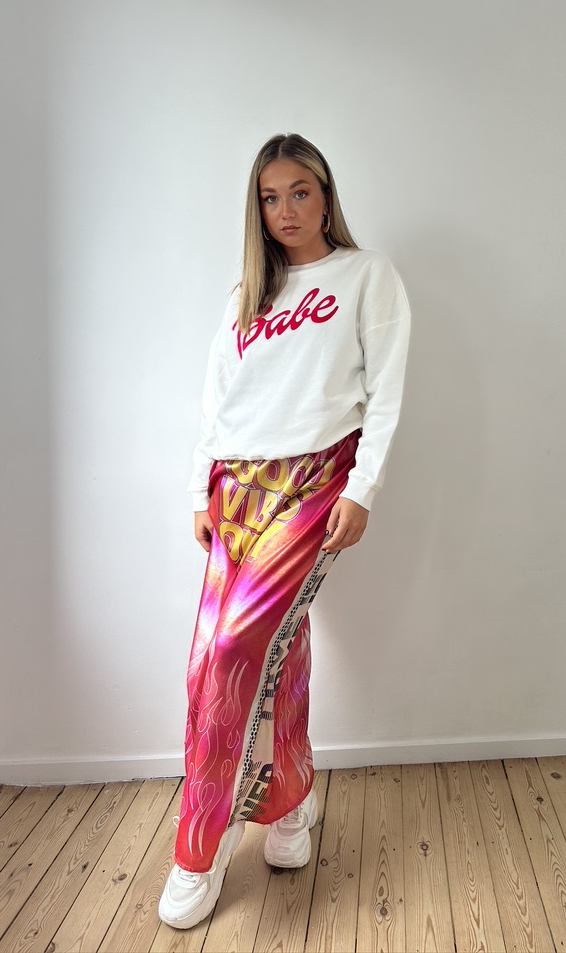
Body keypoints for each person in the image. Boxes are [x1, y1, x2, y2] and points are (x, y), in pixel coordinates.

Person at [158, 132, 410, 929]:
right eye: (270, 198)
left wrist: (363, 488)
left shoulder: (366, 275)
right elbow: (217, 399)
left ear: (326, 197)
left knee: (232, 653)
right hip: (234, 489)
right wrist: (200, 487)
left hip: (313, 481)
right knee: (260, 647)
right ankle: (289, 799)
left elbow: (387, 391)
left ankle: (198, 848)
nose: (286, 210)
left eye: (300, 192)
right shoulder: (247, 293)